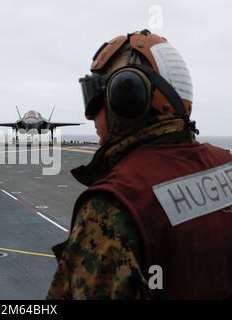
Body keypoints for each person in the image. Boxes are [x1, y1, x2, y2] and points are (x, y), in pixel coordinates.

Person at [47, 30, 232, 300]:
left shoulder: (114, 203)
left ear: (126, 97)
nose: (90, 115)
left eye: (96, 96)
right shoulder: (225, 165)